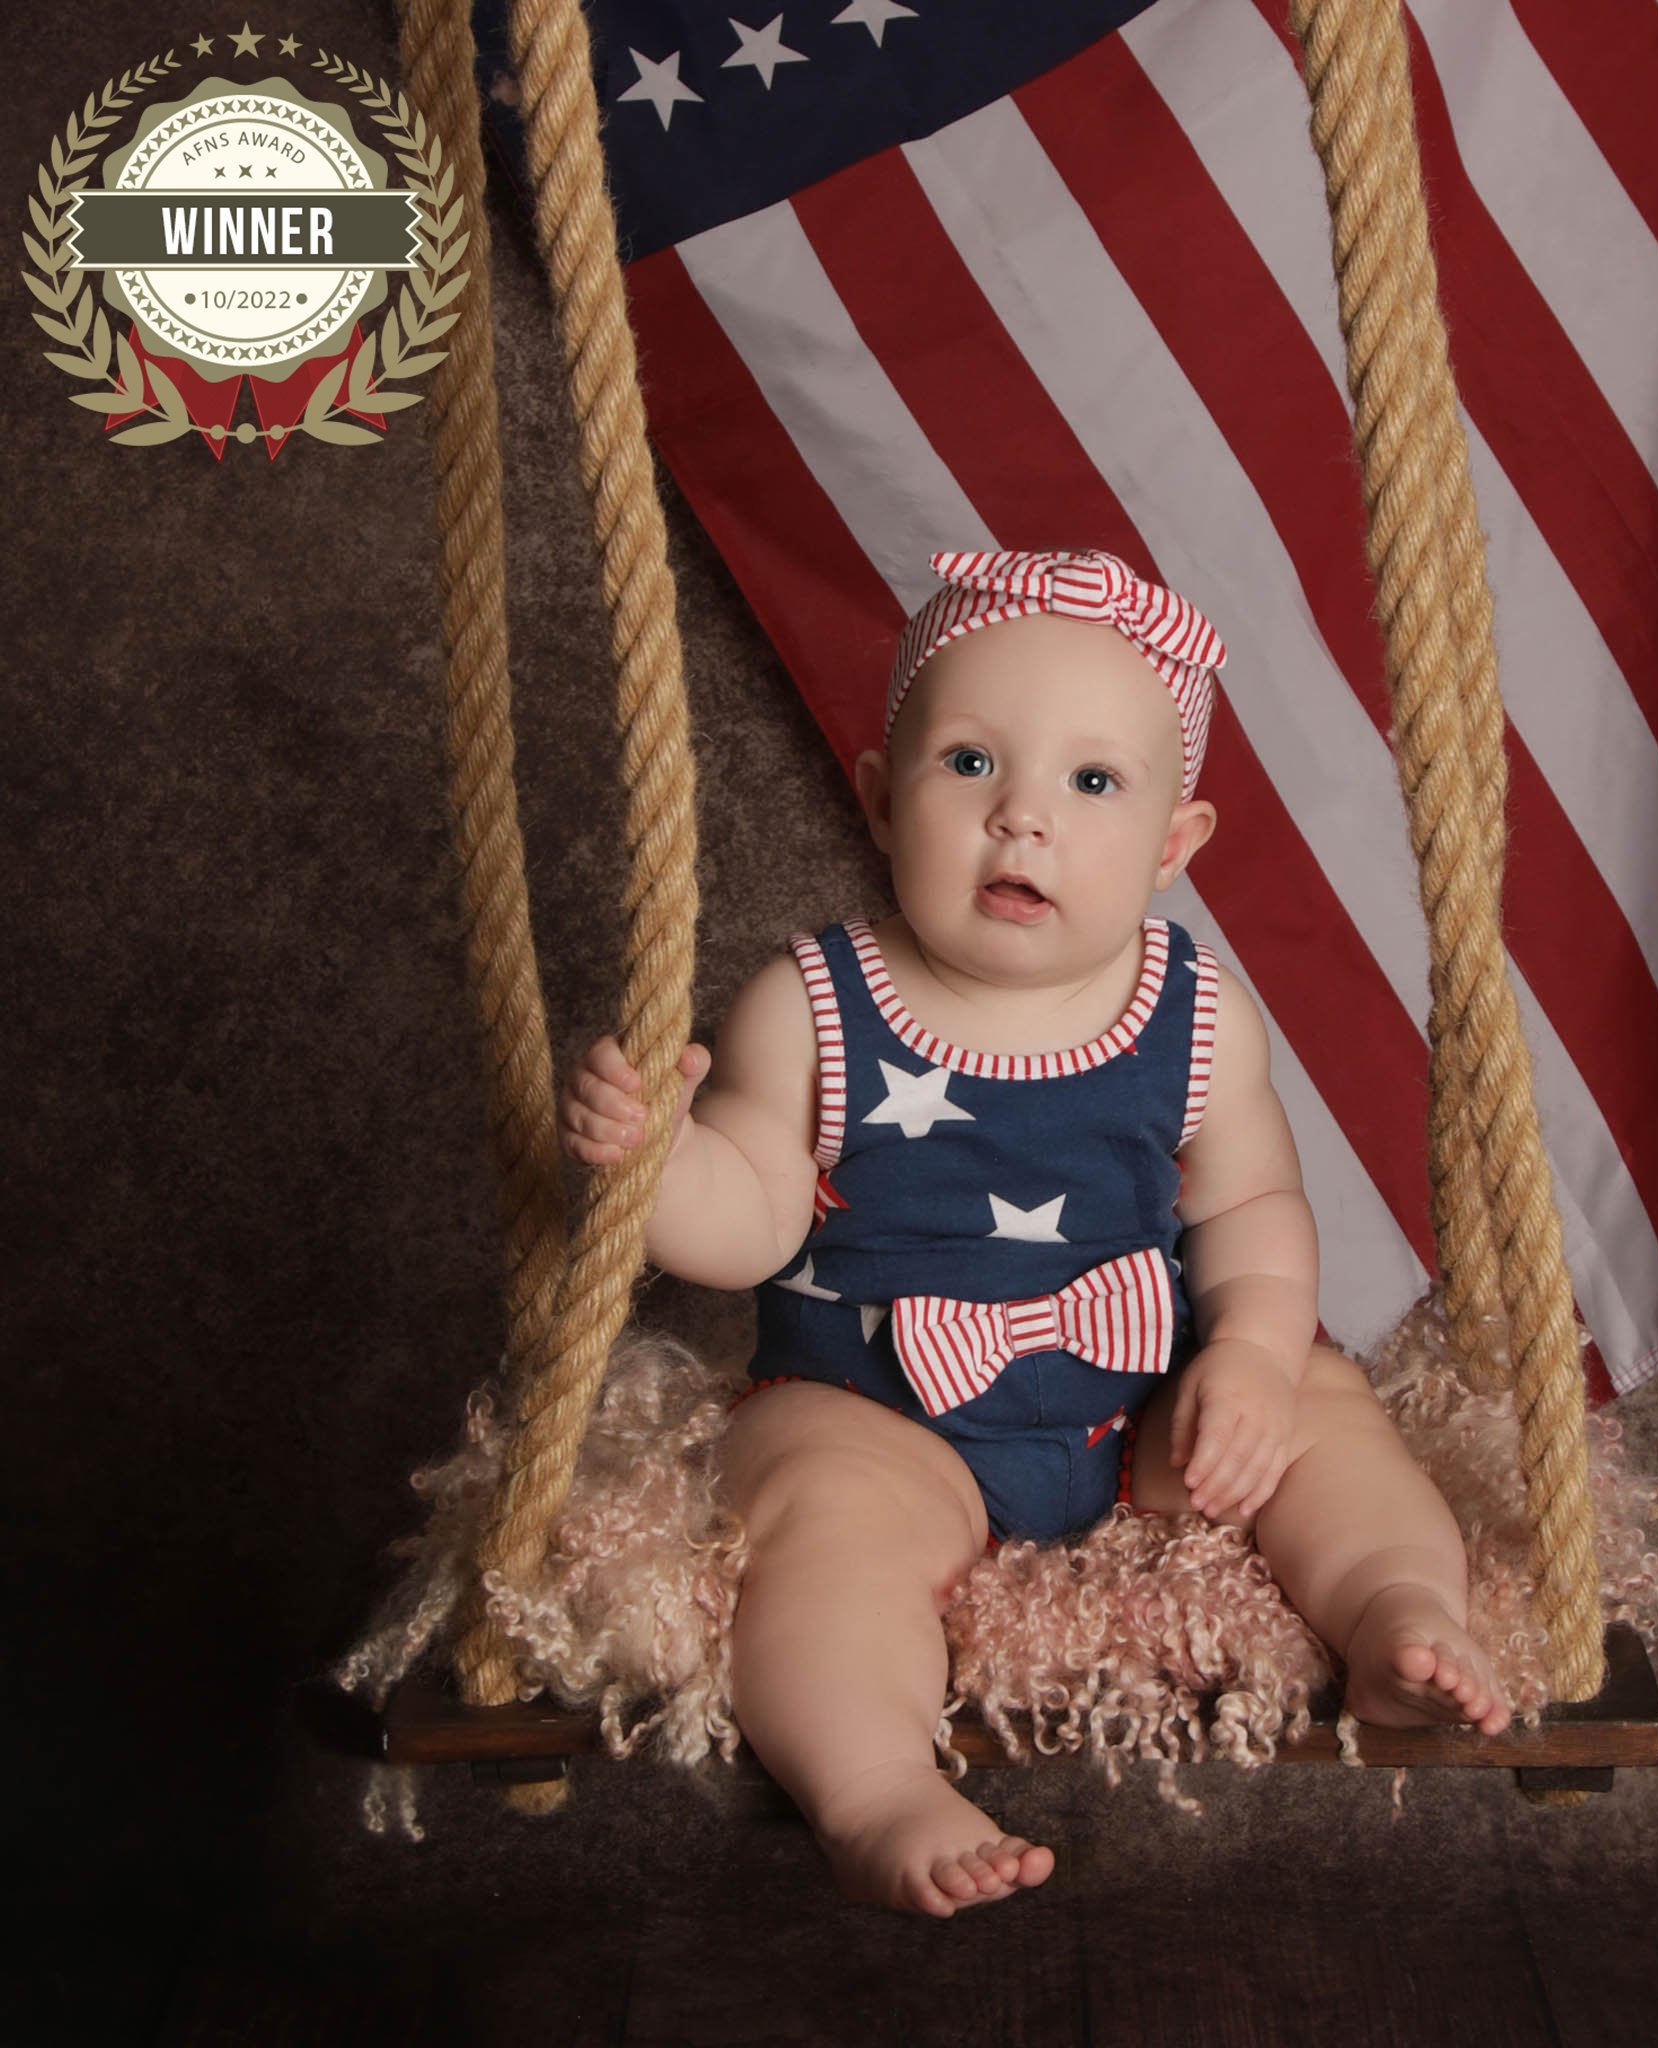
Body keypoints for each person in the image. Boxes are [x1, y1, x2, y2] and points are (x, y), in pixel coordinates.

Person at [558, 548, 1509, 1918]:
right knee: (821, 1523)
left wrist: (1245, 1349)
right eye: (968, 767)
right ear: (883, 801)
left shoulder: (1198, 1016)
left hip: (1127, 1427)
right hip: (879, 1411)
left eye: (1092, 783)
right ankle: (877, 1782)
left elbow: (1251, 1207)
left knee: (1323, 1401)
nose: (1022, 821)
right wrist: (657, 1168)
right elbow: (753, 1223)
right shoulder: (810, 1003)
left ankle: (1397, 1613)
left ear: (1175, 848)